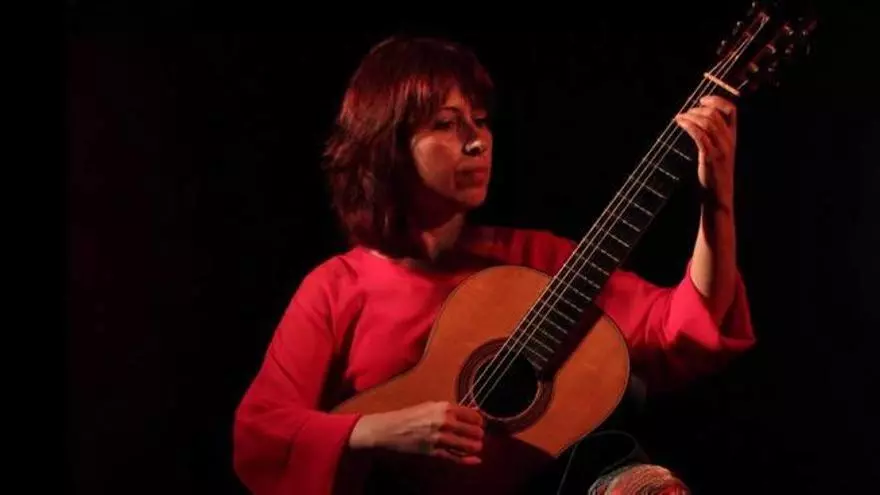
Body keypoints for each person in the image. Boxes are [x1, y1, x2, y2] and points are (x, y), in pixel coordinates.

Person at [232, 35, 756, 495]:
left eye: (480, 121)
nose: (477, 140)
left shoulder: (534, 261)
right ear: (386, 146)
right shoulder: (336, 287)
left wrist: (717, 200)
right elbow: (263, 432)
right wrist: (382, 429)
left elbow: (681, 325)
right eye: (445, 124)